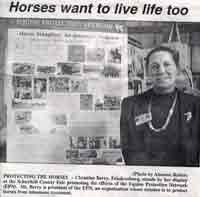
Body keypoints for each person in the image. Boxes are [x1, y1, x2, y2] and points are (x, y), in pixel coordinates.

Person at [120, 46, 200, 167]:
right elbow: (128, 152)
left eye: (167, 64)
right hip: (145, 180)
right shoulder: (130, 105)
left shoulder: (194, 105)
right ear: (148, 72)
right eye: (155, 66)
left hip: (183, 181)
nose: (161, 71)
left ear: (177, 69)